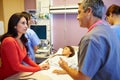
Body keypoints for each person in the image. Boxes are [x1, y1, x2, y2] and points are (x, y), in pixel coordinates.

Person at [58, 0, 120, 80]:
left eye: (79, 12)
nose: (77, 17)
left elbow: (83, 78)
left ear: (89, 11)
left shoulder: (91, 39)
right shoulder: (108, 30)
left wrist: (65, 67)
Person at [0, 13, 49, 80]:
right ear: (15, 25)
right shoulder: (9, 41)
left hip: (18, 73)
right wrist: (38, 68)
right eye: (23, 23)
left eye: (26, 23)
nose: (26, 26)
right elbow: (16, 66)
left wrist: (38, 66)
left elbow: (26, 58)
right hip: (8, 76)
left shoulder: (21, 39)